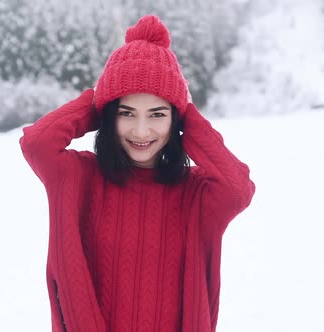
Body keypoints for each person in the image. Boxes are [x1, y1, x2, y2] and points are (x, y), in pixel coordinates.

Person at [20, 15, 255, 332]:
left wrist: (189, 117)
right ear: (108, 116)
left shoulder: (196, 192)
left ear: (176, 121)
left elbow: (238, 189)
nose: (141, 130)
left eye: (157, 114)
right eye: (126, 113)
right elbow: (37, 143)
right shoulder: (80, 177)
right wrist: (100, 96)